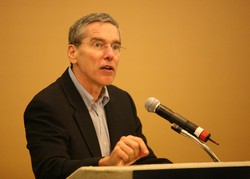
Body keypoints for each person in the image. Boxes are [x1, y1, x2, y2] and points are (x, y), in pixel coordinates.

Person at [24, 13, 171, 179]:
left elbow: (142, 162)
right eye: (98, 44)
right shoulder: (46, 105)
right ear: (73, 53)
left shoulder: (123, 101)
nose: (110, 55)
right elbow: (50, 170)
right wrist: (106, 164)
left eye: (115, 46)